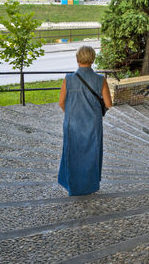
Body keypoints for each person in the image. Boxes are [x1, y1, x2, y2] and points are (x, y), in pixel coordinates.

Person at [58, 45, 112, 196]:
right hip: (93, 125)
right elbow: (108, 104)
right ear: (93, 60)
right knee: (91, 155)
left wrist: (71, 114)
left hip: (72, 124)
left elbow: (61, 103)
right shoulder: (100, 80)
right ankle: (89, 186)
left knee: (72, 153)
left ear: (77, 59)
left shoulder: (68, 79)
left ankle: (72, 186)